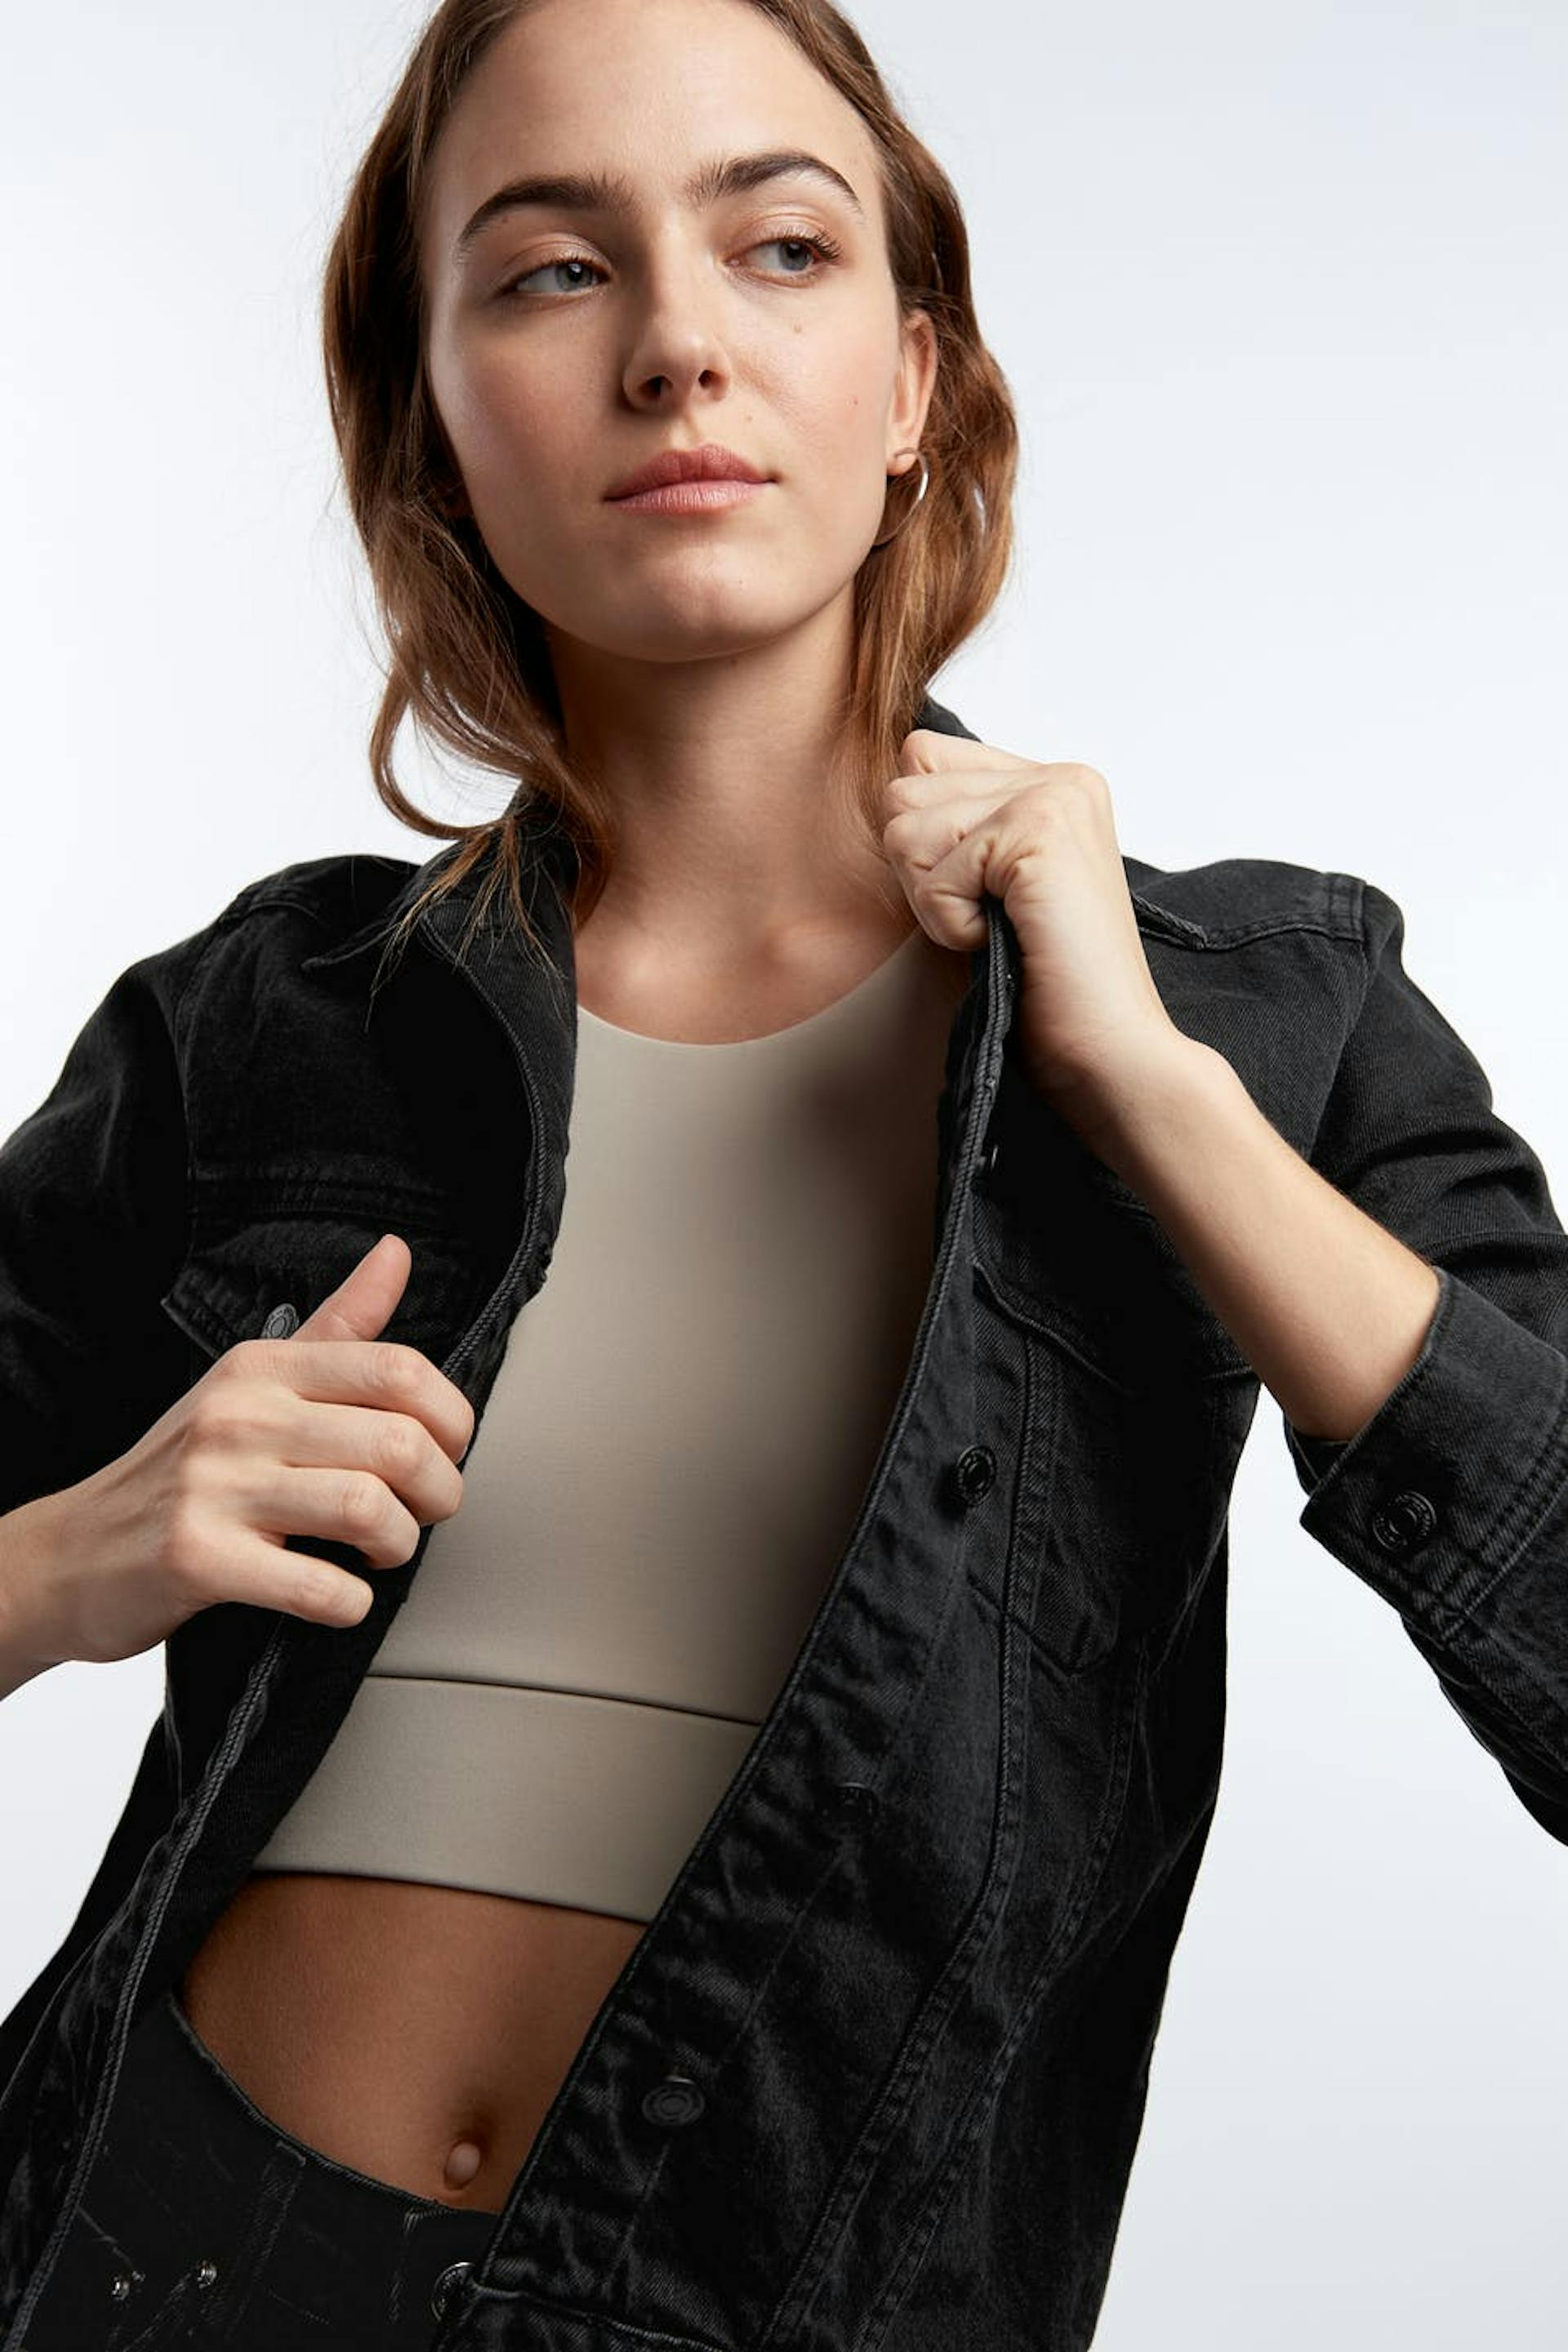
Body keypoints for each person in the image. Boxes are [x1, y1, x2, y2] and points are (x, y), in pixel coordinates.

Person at [2, 0, 1566, 2345]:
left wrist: (1150, 1090)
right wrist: (65, 1558)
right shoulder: (272, 1018)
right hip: (149, 2259)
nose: (676, 348)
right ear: (433, 418)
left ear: (915, 378)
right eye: (552, 271)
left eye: (782, 246)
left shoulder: (1271, 1011)